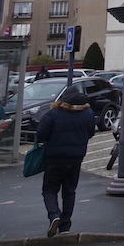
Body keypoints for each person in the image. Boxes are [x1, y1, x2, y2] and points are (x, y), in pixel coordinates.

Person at [35, 87, 96, 237]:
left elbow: (41, 134)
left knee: (49, 189)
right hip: (76, 157)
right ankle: (65, 225)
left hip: (55, 157)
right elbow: (91, 133)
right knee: (69, 191)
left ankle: (54, 215)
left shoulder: (53, 114)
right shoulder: (88, 113)